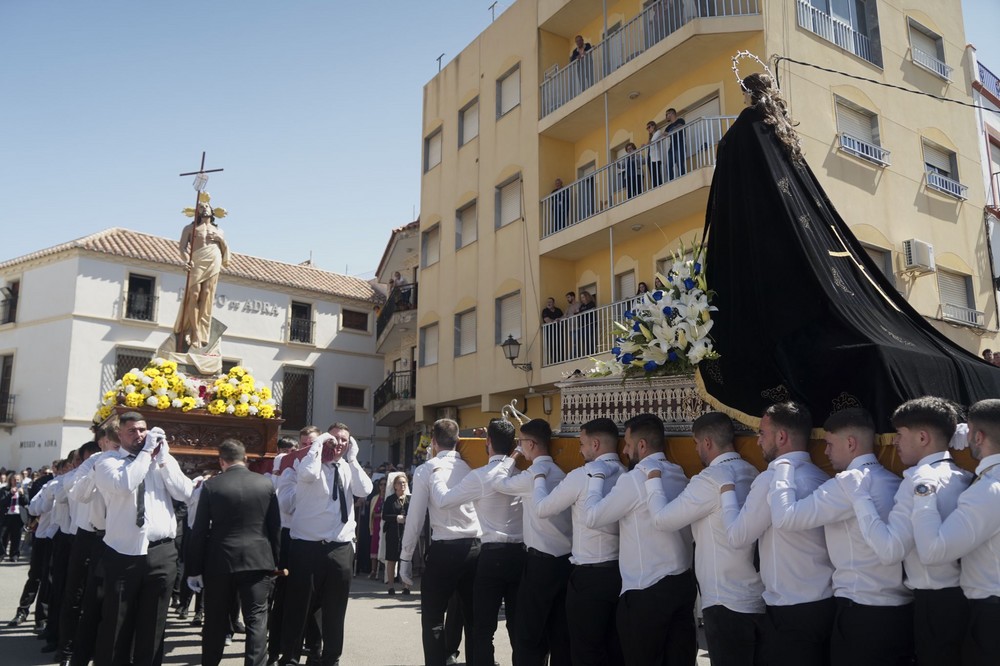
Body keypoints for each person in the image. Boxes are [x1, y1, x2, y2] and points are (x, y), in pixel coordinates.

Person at [768, 408, 912, 665]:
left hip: (861, 612)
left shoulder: (846, 484)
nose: (825, 452)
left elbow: (785, 517)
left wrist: (783, 468)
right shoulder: (895, 480)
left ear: (850, 443)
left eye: (829, 444)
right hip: (900, 613)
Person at [838, 397, 971, 665]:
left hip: (933, 603)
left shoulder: (917, 481)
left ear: (922, 437)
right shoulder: (963, 475)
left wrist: (859, 498)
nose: (894, 442)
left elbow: (889, 550)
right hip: (961, 600)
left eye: (900, 434)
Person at [719, 402, 835, 666]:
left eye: (762, 433)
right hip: (825, 604)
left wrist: (726, 493)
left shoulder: (771, 480)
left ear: (781, 437)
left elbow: (738, 536)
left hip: (789, 611)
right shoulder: (822, 477)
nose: (758, 441)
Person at [645, 412, 764, 666]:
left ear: (707, 442)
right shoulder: (753, 471)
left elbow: (662, 520)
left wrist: (653, 481)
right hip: (757, 595)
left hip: (725, 601)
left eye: (696, 443)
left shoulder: (709, 479)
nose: (696, 449)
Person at [582, 413, 695, 666]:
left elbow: (592, 517)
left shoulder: (634, 479)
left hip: (647, 590)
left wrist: (595, 478)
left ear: (642, 446)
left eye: (629, 444)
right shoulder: (679, 473)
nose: (624, 449)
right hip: (681, 585)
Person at [93, 412, 194, 666]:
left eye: (142, 430)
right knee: (116, 623)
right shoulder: (108, 462)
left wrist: (163, 460)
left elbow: (186, 493)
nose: (139, 435)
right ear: (120, 435)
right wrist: (146, 453)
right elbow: (125, 484)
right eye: (132, 431)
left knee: (154, 625)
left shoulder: (159, 460)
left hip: (162, 553)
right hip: (123, 553)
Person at [910, 398, 1000, 666]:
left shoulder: (987, 489)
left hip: (991, 615)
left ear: (978, 436)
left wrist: (923, 492)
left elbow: (933, 550)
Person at [427, 418, 524, 665]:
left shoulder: (480, 476)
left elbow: (444, 500)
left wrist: (436, 471)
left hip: (491, 555)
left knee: (482, 629)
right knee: (519, 629)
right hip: (521, 555)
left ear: (488, 442)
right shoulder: (523, 471)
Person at [531, 418, 626, 666]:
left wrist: (538, 477)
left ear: (595, 444)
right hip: (622, 573)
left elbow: (542, 508)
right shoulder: (628, 474)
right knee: (615, 648)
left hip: (589, 576)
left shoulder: (582, 475)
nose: (580, 449)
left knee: (586, 650)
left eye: (582, 444)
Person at [277, 424, 373, 666]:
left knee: (335, 609)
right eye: (335, 439)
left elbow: (365, 489)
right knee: (298, 607)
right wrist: (318, 445)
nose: (339, 443)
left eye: (344, 440)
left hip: (339, 548)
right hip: (307, 547)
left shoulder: (348, 467)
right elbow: (308, 474)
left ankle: (331, 658)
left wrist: (353, 458)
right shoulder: (307, 463)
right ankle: (290, 657)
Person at [187, 439, 281, 666]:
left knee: (215, 619)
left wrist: (194, 569)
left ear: (221, 461)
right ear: (245, 458)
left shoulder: (212, 486)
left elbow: (199, 530)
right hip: (258, 560)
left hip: (220, 561)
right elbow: (274, 527)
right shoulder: (265, 485)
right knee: (257, 619)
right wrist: (276, 562)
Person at [398, 419, 481, 666]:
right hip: (475, 546)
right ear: (457, 441)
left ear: (432, 442)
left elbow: (415, 517)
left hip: (445, 549)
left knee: (433, 618)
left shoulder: (428, 469)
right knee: (475, 619)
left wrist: (405, 556)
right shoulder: (471, 466)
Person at [493, 418, 573, 666]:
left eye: (521, 442)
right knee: (560, 633)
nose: (519, 445)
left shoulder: (532, 476)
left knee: (528, 634)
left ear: (530, 444)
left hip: (539, 563)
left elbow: (498, 482)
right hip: (566, 562)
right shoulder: (562, 473)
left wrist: (513, 457)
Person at [174, 200, 231, 350]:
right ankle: (195, 331)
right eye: (201, 207)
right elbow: (182, 248)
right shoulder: (189, 228)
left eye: (206, 207)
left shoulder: (220, 231)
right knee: (194, 294)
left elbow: (225, 250)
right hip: (197, 260)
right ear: (197, 212)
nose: (204, 209)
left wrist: (221, 240)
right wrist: (187, 260)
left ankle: (196, 331)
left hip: (213, 260)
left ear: (213, 212)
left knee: (206, 295)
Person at [9, 465, 56, 631]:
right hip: (42, 537)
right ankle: (22, 611)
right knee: (34, 576)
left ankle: (41, 618)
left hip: (58, 539)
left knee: (49, 579)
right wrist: (50, 497)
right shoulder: (47, 485)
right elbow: (34, 508)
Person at [381, 472, 411, 595]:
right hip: (393, 532)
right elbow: (384, 516)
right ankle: (391, 586)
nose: (402, 485)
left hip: (406, 532)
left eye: (404, 482)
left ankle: (406, 586)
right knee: (392, 559)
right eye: (400, 483)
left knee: (406, 559)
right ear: (395, 486)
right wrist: (396, 518)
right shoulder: (390, 500)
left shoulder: (410, 499)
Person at [1, 472, 27, 561]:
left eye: (18, 480)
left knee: (16, 537)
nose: (16, 481)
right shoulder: (5, 490)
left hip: (18, 516)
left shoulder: (24, 489)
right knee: (3, 536)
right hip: (7, 516)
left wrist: (22, 495)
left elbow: (27, 502)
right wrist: (10, 494)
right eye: (14, 479)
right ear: (10, 480)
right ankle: (2, 554)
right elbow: (2, 502)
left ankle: (14, 555)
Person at [368, 477, 386, 580]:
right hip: (376, 526)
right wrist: (380, 515)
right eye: (381, 485)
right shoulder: (375, 498)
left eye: (384, 484)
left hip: (386, 527)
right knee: (374, 547)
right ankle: (373, 570)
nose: (383, 486)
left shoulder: (389, 497)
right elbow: (373, 514)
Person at [665, 108, 686, 180]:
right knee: (668, 165)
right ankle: (670, 181)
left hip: (680, 144)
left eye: (667, 114)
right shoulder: (668, 127)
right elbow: (664, 134)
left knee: (679, 163)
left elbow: (679, 126)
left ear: (672, 113)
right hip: (672, 147)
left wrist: (669, 132)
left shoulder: (680, 120)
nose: (666, 116)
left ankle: (682, 178)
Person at [645, 120, 665, 188]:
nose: (648, 129)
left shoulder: (658, 132)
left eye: (649, 127)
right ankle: (655, 186)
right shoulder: (651, 136)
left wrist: (646, 144)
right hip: (650, 156)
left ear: (653, 126)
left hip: (656, 157)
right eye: (647, 128)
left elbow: (652, 142)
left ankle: (658, 186)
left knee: (656, 173)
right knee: (652, 174)